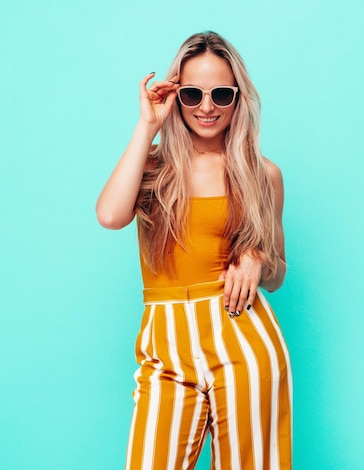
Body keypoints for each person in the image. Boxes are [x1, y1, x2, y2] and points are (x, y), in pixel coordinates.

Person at [96, 31, 292, 470]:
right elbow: (110, 216)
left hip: (242, 334)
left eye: (221, 94)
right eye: (192, 94)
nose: (207, 107)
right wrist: (148, 126)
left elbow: (279, 274)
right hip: (164, 343)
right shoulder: (151, 168)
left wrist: (258, 259)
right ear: (175, 95)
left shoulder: (263, 174)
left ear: (238, 98)